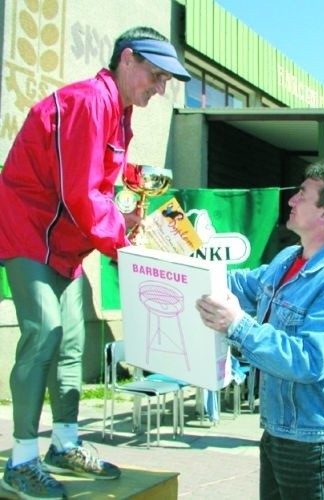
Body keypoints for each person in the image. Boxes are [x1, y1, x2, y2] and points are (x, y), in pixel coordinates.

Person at [0, 26, 190, 499]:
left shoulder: (119, 113)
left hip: (65, 243)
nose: (160, 88)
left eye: (165, 80)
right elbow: (81, 192)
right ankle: (20, 459)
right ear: (127, 60)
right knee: (43, 332)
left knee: (71, 343)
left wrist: (142, 201)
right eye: (156, 75)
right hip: (31, 233)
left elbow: (106, 177)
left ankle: (64, 443)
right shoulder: (89, 101)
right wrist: (128, 243)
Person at [196, 160, 324, 499]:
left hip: (315, 438)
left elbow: (310, 360)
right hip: (281, 429)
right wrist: (175, 257)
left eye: (302, 195)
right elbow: (239, 284)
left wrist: (238, 325)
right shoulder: (288, 258)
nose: (291, 200)